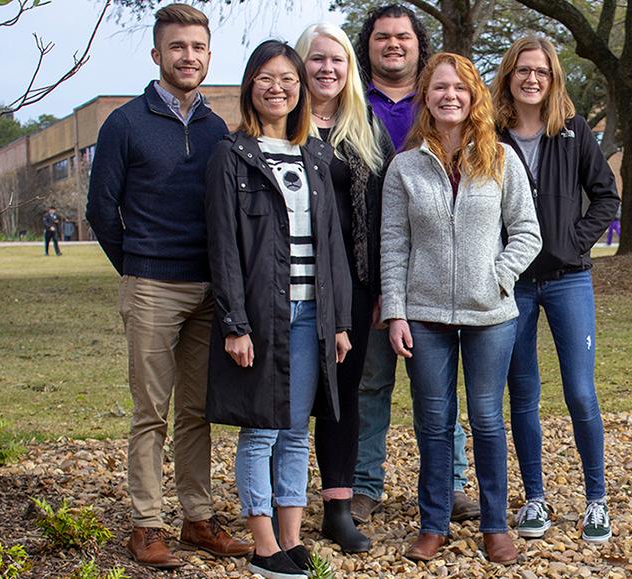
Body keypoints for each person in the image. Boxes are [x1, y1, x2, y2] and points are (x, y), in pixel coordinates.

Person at [85, 4, 251, 570]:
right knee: (150, 412)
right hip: (152, 285)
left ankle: (197, 519)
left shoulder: (216, 129)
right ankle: (146, 525)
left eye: (198, 48)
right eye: (177, 47)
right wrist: (135, 266)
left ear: (209, 55)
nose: (189, 57)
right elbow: (100, 211)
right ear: (157, 54)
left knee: (197, 411)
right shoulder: (124, 124)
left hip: (208, 289)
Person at [380, 52, 542, 565]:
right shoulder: (405, 167)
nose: (450, 96)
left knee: (488, 420)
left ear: (474, 98)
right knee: (432, 422)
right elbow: (393, 245)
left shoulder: (501, 158)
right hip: (424, 316)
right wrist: (396, 312)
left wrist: (496, 274)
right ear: (425, 97)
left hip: (489, 316)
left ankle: (495, 525)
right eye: (439, 88)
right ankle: (434, 524)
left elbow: (528, 233)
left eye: (460, 88)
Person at [204, 39, 354, 578]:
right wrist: (235, 323)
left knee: (295, 431)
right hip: (263, 317)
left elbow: (332, 243)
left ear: (301, 89)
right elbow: (223, 246)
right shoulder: (232, 154)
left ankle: (292, 541)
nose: (278, 87)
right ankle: (264, 546)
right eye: (267, 78)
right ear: (250, 86)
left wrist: (338, 321)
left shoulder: (316, 155)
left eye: (288, 78)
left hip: (313, 315)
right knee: (261, 430)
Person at [349, 4, 481, 526]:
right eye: (382, 37)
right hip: (369, 264)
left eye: (403, 36)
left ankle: (451, 486)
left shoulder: (440, 103)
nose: (393, 45)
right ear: (370, 46)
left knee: (438, 387)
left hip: (434, 275)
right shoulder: (354, 104)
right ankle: (364, 486)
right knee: (371, 384)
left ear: (417, 43)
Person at [494, 36, 620, 544]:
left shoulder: (572, 131)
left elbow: (606, 197)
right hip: (513, 285)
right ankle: (535, 499)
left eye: (541, 72)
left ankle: (596, 500)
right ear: (509, 75)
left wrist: (573, 243)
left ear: (553, 79)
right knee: (522, 393)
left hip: (569, 280)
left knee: (580, 392)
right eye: (523, 70)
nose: (531, 79)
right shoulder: (492, 134)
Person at [293, 22, 395, 553]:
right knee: (288, 397)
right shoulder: (281, 124)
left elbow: (379, 217)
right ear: (300, 64)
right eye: (316, 59)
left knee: (342, 397)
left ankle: (337, 509)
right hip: (289, 283)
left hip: (352, 287)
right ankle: (277, 510)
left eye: (337, 60)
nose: (327, 69)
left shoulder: (366, 129)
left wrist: (379, 287)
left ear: (349, 69)